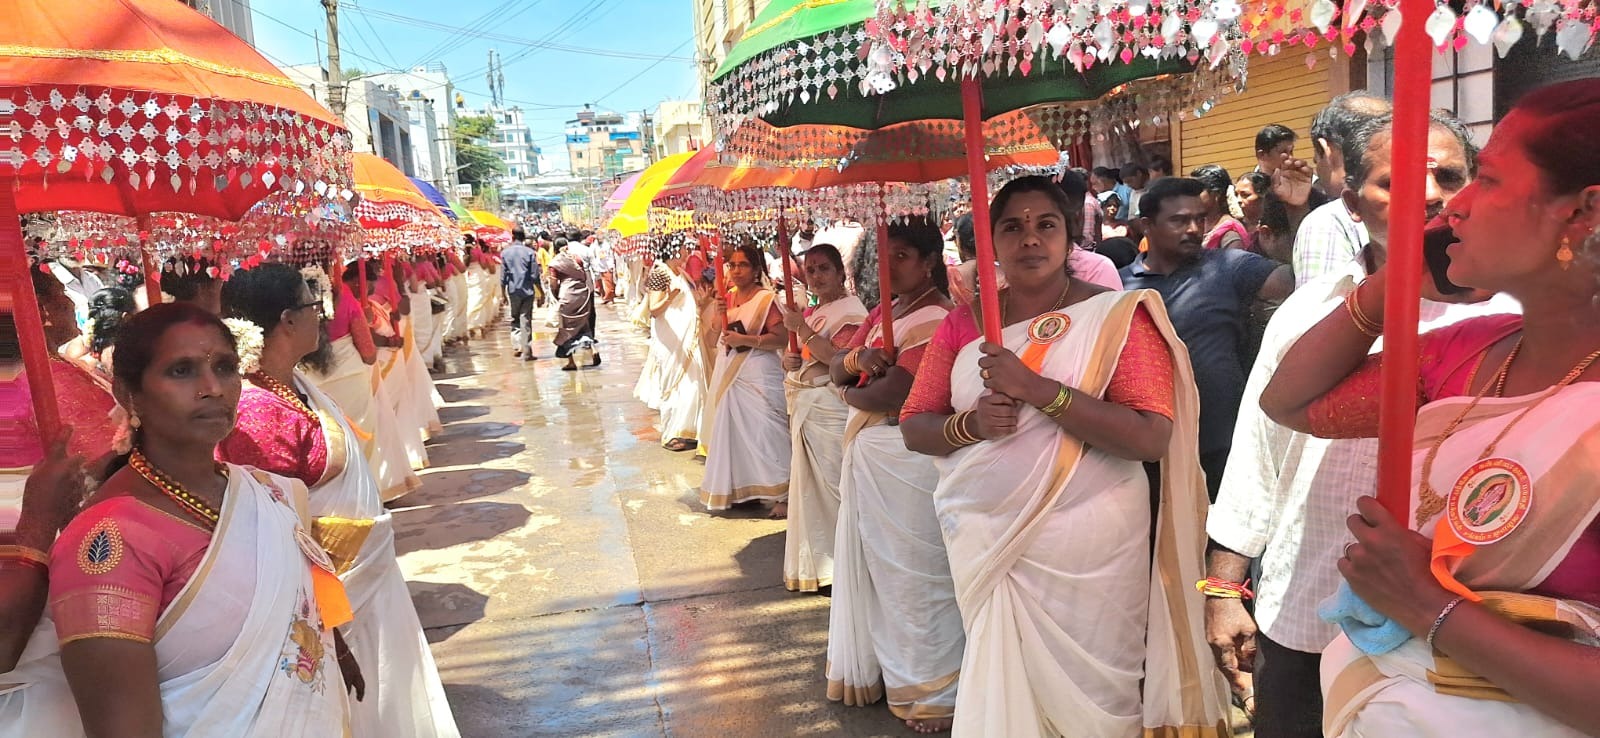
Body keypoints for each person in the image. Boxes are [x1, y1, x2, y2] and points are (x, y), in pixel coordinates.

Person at [1258, 78, 1600, 737]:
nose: (1453, 208)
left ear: (1582, 214)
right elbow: (1290, 401)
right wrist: (1392, 283)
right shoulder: (1468, 353)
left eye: (1489, 182)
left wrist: (1430, 608)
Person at [899, 175, 1229, 737]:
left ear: (1069, 235)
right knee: (1007, 679)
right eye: (1012, 227)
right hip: (988, 534)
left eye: (1045, 225)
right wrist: (970, 425)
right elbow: (915, 424)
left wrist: (1037, 390)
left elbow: (1150, 437)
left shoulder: (1119, 315)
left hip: (1092, 543)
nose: (1030, 239)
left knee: (1100, 693)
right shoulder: (964, 321)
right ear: (991, 242)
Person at [1205, 111, 1500, 737]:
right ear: (1353, 203)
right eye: (1394, 183)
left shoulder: (1515, 318)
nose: (1427, 195)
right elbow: (1260, 453)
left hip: (1458, 627)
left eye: (1448, 176)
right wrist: (1223, 588)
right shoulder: (1309, 311)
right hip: (1306, 611)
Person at [1, 304, 357, 737]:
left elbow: (299, 607)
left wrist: (332, 646)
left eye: (225, 368)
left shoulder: (266, 491)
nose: (212, 388)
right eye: (181, 371)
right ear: (128, 394)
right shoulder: (110, 542)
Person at [216, 264, 460, 738]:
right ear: (287, 321)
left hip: (363, 580)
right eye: (313, 307)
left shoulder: (296, 386)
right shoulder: (256, 411)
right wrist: (331, 627)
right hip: (330, 596)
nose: (323, 318)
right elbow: (276, 530)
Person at [825, 218, 959, 731]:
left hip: (909, 462)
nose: (890, 267)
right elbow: (839, 363)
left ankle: (937, 692)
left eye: (902, 256)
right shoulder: (885, 310)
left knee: (916, 578)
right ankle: (894, 673)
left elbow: (895, 393)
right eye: (882, 258)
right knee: (882, 576)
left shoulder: (935, 317)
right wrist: (857, 364)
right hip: (875, 456)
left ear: (929, 261)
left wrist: (847, 388)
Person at [1120, 177, 1294, 500]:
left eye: (1198, 219)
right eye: (1179, 220)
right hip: (1152, 454)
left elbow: (1295, 281)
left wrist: (1292, 216)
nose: (1193, 228)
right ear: (1147, 225)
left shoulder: (1227, 266)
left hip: (1224, 445)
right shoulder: (1119, 288)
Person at [779, 244, 865, 588]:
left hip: (830, 408)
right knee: (810, 490)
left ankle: (841, 562)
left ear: (841, 273)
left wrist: (802, 330)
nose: (815, 276)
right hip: (808, 407)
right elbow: (805, 355)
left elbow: (839, 359)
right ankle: (819, 563)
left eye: (823, 269)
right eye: (810, 270)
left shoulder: (850, 310)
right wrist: (790, 361)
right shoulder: (817, 311)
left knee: (834, 485)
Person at [698, 242, 790, 511]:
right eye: (733, 265)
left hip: (758, 371)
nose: (737, 270)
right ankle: (743, 488)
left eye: (743, 265)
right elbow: (713, 334)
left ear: (756, 269)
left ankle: (782, 492)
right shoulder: (726, 297)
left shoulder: (765, 299)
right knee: (734, 430)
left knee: (765, 432)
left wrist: (745, 339)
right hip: (730, 370)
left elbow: (781, 338)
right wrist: (714, 307)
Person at [1294, 91, 1394, 287]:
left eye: (1316, 158)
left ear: (1326, 149)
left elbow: (1320, 313)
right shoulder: (1428, 207)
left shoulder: (1327, 222)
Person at [641, 240, 709, 452]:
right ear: (672, 249)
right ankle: (673, 433)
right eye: (684, 247)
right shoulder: (660, 273)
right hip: (671, 340)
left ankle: (690, 431)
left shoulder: (679, 271)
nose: (687, 252)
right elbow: (653, 309)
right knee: (674, 384)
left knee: (694, 384)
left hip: (687, 338)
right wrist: (670, 296)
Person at [548, 238, 599, 370]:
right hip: (582, 293)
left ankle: (571, 362)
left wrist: (557, 296)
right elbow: (582, 275)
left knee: (567, 328)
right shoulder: (576, 258)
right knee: (584, 324)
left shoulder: (555, 262)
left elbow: (553, 284)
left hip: (567, 295)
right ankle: (593, 350)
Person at [1192, 164, 1252, 250]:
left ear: (1217, 194)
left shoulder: (1230, 234)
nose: (1191, 196)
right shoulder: (1197, 226)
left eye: (1197, 191)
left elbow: (1235, 262)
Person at [501, 228, 540, 361]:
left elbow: (503, 276)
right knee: (526, 319)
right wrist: (542, 292)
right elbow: (535, 275)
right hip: (527, 290)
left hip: (513, 290)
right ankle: (527, 350)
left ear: (512, 237)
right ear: (524, 238)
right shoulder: (530, 252)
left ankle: (517, 345)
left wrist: (502, 293)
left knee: (515, 318)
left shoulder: (505, 253)